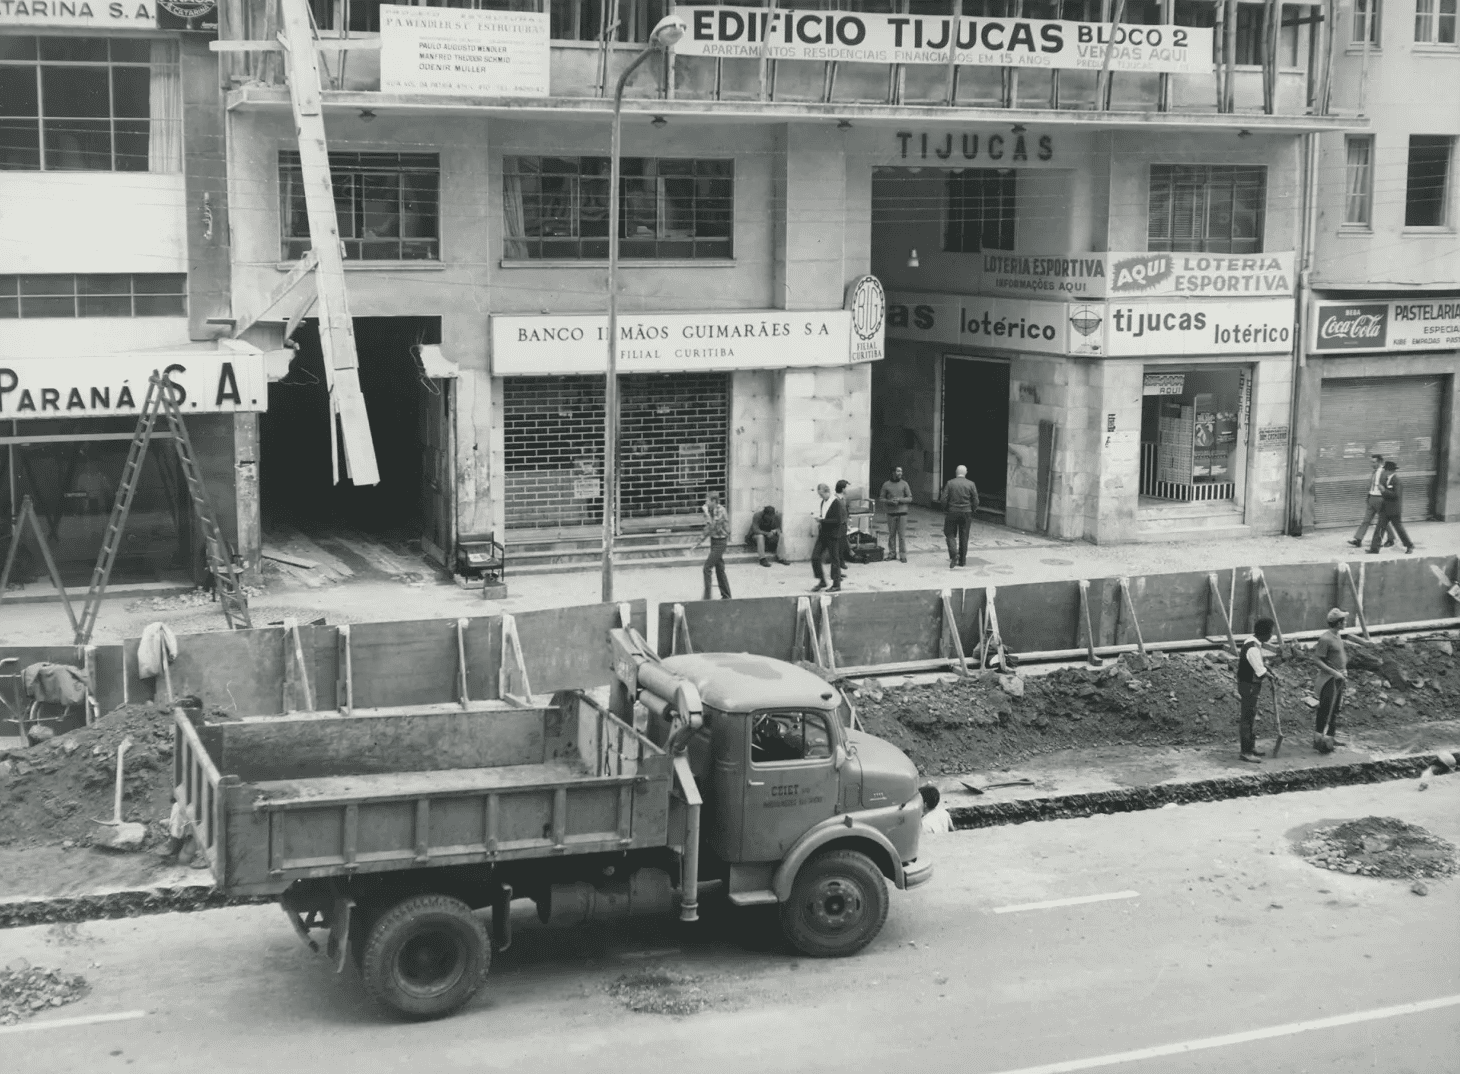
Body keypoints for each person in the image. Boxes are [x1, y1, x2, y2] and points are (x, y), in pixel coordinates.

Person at [1308, 608, 1350, 751]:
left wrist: (1343, 671)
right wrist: (1333, 672)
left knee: (1335, 708)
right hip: (1329, 680)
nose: (1345, 623)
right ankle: (1318, 739)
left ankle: (1330, 737)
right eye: (1343, 621)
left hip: (1339, 678)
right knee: (1326, 708)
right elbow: (1317, 659)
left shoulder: (1337, 636)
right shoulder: (1325, 639)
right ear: (1338, 623)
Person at [1236, 618, 1276, 763]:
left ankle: (1250, 747)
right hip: (1249, 685)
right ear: (1264, 633)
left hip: (1249, 684)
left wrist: (1268, 670)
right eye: (1271, 632)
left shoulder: (1252, 642)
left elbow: (1259, 664)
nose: (1272, 635)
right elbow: (1259, 670)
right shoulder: (1252, 648)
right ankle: (1245, 752)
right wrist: (1269, 675)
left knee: (1251, 716)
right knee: (1247, 718)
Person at [1349, 454, 1396, 550]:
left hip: (1380, 499)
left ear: (1379, 462)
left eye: (1374, 462)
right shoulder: (1374, 472)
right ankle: (1358, 540)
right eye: (1371, 462)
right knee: (1366, 520)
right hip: (1372, 498)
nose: (1372, 464)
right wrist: (1369, 496)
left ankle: (1391, 539)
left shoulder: (1385, 472)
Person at [1367, 460, 1414, 555]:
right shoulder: (1386, 479)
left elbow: (1396, 495)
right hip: (1385, 509)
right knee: (1379, 528)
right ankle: (1374, 549)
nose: (1384, 471)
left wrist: (1384, 491)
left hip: (1394, 510)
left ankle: (1409, 545)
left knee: (1399, 529)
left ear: (1390, 470)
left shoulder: (1397, 481)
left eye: (1386, 470)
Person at [692, 491, 731, 600]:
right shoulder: (711, 511)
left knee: (707, 567)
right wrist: (698, 542)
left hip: (721, 542)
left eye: (707, 500)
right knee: (720, 569)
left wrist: (707, 514)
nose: (706, 503)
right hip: (714, 541)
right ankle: (726, 596)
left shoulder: (721, 511)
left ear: (713, 501)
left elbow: (713, 526)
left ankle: (707, 598)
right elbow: (707, 528)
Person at [938, 465, 979, 569]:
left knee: (950, 534)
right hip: (966, 512)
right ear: (965, 473)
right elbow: (975, 500)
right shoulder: (971, 484)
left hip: (952, 511)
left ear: (956, 472)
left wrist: (945, 509)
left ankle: (954, 554)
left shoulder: (950, 483)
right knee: (964, 536)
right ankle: (962, 561)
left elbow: (943, 499)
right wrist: (972, 510)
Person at [810, 483, 845, 593]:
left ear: (826, 492)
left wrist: (822, 521)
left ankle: (836, 584)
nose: (820, 497)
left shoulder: (836, 503)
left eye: (821, 494)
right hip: (823, 533)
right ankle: (822, 580)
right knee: (815, 557)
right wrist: (821, 520)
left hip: (833, 534)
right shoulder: (823, 502)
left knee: (834, 559)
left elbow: (838, 520)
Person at [878, 466, 913, 563]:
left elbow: (910, 498)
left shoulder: (904, 484)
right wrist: (890, 501)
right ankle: (892, 553)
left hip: (903, 513)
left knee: (902, 536)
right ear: (893, 472)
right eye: (898, 471)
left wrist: (900, 500)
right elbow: (881, 498)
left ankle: (903, 555)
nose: (900, 473)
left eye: (901, 471)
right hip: (891, 513)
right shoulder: (886, 485)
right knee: (891, 535)